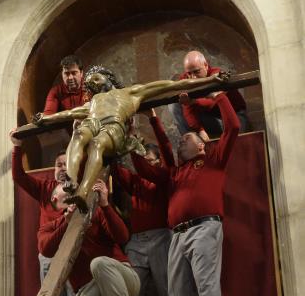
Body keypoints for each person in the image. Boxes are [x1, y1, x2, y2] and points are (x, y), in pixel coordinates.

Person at [34, 64, 230, 212]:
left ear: (108, 77)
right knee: (78, 135)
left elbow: (173, 85)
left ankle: (83, 191)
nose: (91, 83)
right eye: (89, 83)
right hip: (92, 122)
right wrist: (45, 118)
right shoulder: (93, 102)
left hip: (113, 126)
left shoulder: (130, 92)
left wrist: (212, 80)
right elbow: (68, 114)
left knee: (97, 144)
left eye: (96, 78)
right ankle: (71, 181)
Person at [132, 94, 240, 296]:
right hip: (177, 236)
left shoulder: (213, 159)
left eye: (186, 137)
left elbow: (233, 127)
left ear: (201, 144)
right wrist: (149, 123)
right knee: (178, 295)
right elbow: (147, 167)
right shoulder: (174, 173)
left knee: (206, 284)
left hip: (204, 228)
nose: (181, 140)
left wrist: (218, 96)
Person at [39, 178, 141, 296]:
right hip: (91, 291)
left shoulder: (95, 211)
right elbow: (45, 249)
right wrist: (67, 224)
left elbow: (122, 237)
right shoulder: (50, 226)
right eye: (66, 190)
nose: (72, 192)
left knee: (99, 263)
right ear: (54, 198)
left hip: (121, 278)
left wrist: (105, 205)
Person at [11, 130, 74, 296]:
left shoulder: (83, 185)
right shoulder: (44, 188)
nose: (62, 168)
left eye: (66, 164)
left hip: (75, 251)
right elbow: (19, 176)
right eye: (59, 165)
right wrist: (17, 147)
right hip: (48, 255)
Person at [112, 136, 178, 296]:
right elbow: (118, 173)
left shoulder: (163, 176)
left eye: (149, 160)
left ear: (157, 161)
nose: (145, 164)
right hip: (137, 241)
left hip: (160, 238)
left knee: (167, 289)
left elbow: (145, 171)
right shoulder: (136, 182)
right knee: (132, 289)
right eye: (144, 160)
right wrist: (113, 154)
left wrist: (134, 151)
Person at [170, 50, 249, 139]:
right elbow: (188, 109)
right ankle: (191, 141)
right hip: (210, 118)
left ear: (206, 65)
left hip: (234, 115)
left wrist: (193, 101)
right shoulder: (185, 79)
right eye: (189, 73)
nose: (193, 77)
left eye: (197, 71)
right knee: (175, 104)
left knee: (237, 140)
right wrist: (200, 130)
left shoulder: (217, 75)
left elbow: (213, 101)